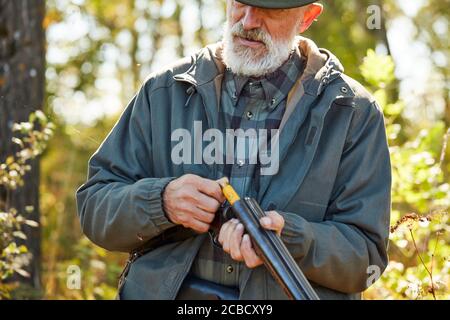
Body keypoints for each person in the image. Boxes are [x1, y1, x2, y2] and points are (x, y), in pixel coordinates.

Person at [76, 0, 391, 300]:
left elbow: (365, 259)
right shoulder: (163, 92)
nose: (249, 21)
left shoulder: (353, 112)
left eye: (270, 9)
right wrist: (162, 202)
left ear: (306, 17)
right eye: (240, 3)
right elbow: (95, 209)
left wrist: (291, 239)